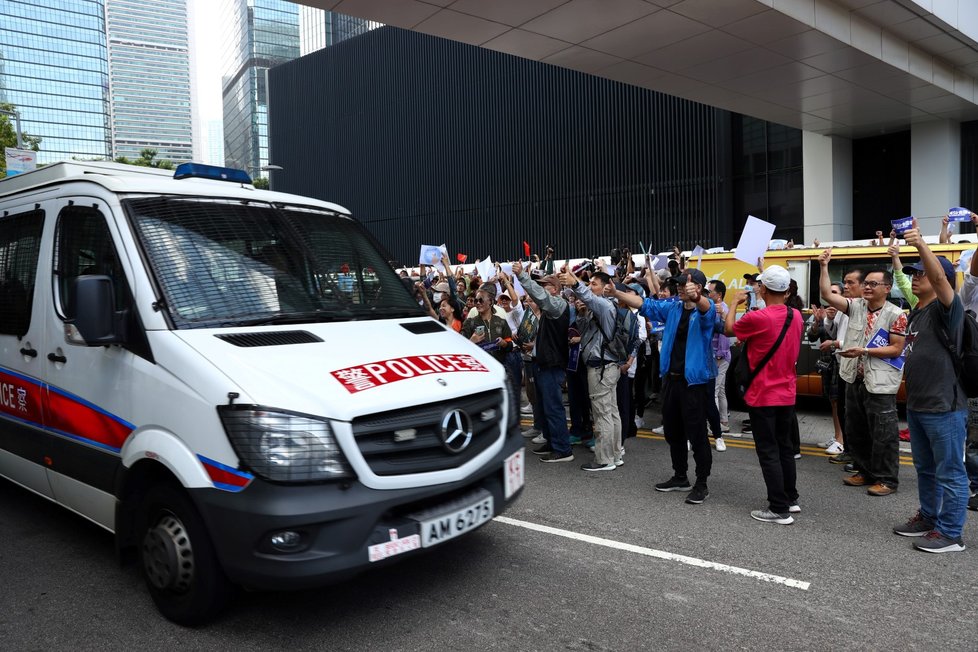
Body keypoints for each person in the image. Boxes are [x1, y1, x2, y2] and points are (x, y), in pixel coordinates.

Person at [891, 223, 969, 552]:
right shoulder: (916, 313)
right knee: (925, 468)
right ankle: (928, 517)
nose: (916, 276)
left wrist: (921, 242)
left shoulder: (947, 310)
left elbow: (940, 279)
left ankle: (951, 533)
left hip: (944, 406)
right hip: (919, 406)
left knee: (950, 472)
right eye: (914, 272)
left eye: (921, 272)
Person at [615, 268, 716, 503]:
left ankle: (702, 482)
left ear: (698, 288)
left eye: (684, 284)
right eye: (678, 284)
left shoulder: (706, 311)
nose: (679, 288)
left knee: (697, 434)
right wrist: (616, 292)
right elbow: (644, 304)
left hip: (695, 383)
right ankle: (680, 476)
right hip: (671, 379)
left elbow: (707, 311)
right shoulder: (673, 308)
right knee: (673, 431)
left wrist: (698, 298)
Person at [819, 251, 906, 497]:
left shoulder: (896, 315)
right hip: (853, 378)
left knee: (884, 434)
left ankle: (887, 479)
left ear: (887, 288)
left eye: (873, 284)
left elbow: (897, 348)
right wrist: (824, 266)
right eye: (865, 283)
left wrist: (865, 351)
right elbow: (827, 294)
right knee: (856, 430)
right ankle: (864, 471)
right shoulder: (855, 306)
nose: (867, 287)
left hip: (879, 382)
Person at [725, 265, 803, 524]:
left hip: (763, 393)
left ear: (764, 289)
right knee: (784, 448)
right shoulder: (796, 315)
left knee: (768, 450)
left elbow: (728, 330)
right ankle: (790, 499)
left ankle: (778, 507)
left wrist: (735, 302)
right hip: (787, 392)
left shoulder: (757, 318)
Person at [561, 267, 623, 472]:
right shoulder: (599, 308)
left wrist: (575, 283)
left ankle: (604, 459)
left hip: (601, 368)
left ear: (606, 288)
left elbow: (589, 297)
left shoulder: (604, 305)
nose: (590, 287)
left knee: (602, 413)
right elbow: (586, 332)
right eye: (589, 284)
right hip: (607, 366)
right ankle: (615, 454)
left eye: (593, 284)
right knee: (611, 411)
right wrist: (580, 313)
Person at [512, 261, 573, 464]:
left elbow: (540, 296)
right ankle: (551, 441)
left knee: (553, 406)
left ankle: (562, 449)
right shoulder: (549, 309)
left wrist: (523, 277)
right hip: (542, 362)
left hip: (551, 365)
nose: (539, 291)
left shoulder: (558, 305)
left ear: (554, 290)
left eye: (544, 286)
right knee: (546, 406)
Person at [808, 284, 845, 455]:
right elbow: (812, 336)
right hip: (827, 364)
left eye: (835, 294)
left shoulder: (846, 315)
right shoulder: (823, 316)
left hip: (841, 364)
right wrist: (817, 321)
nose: (831, 300)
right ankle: (837, 435)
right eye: (829, 294)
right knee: (832, 400)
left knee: (838, 401)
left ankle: (841, 440)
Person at [460, 285, 513, 365]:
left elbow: (510, 345)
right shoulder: (469, 323)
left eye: (481, 300)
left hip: (499, 368)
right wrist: (471, 341)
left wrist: (504, 343)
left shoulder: (501, 322)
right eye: (476, 301)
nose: (478, 303)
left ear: (491, 302)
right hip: (479, 369)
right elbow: (461, 348)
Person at [706, 280, 731, 447]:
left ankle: (713, 425)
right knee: (721, 390)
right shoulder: (720, 307)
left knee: (714, 391)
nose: (708, 294)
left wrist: (719, 354)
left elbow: (723, 335)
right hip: (721, 356)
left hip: (719, 356)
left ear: (719, 294)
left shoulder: (721, 309)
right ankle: (723, 421)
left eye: (710, 291)